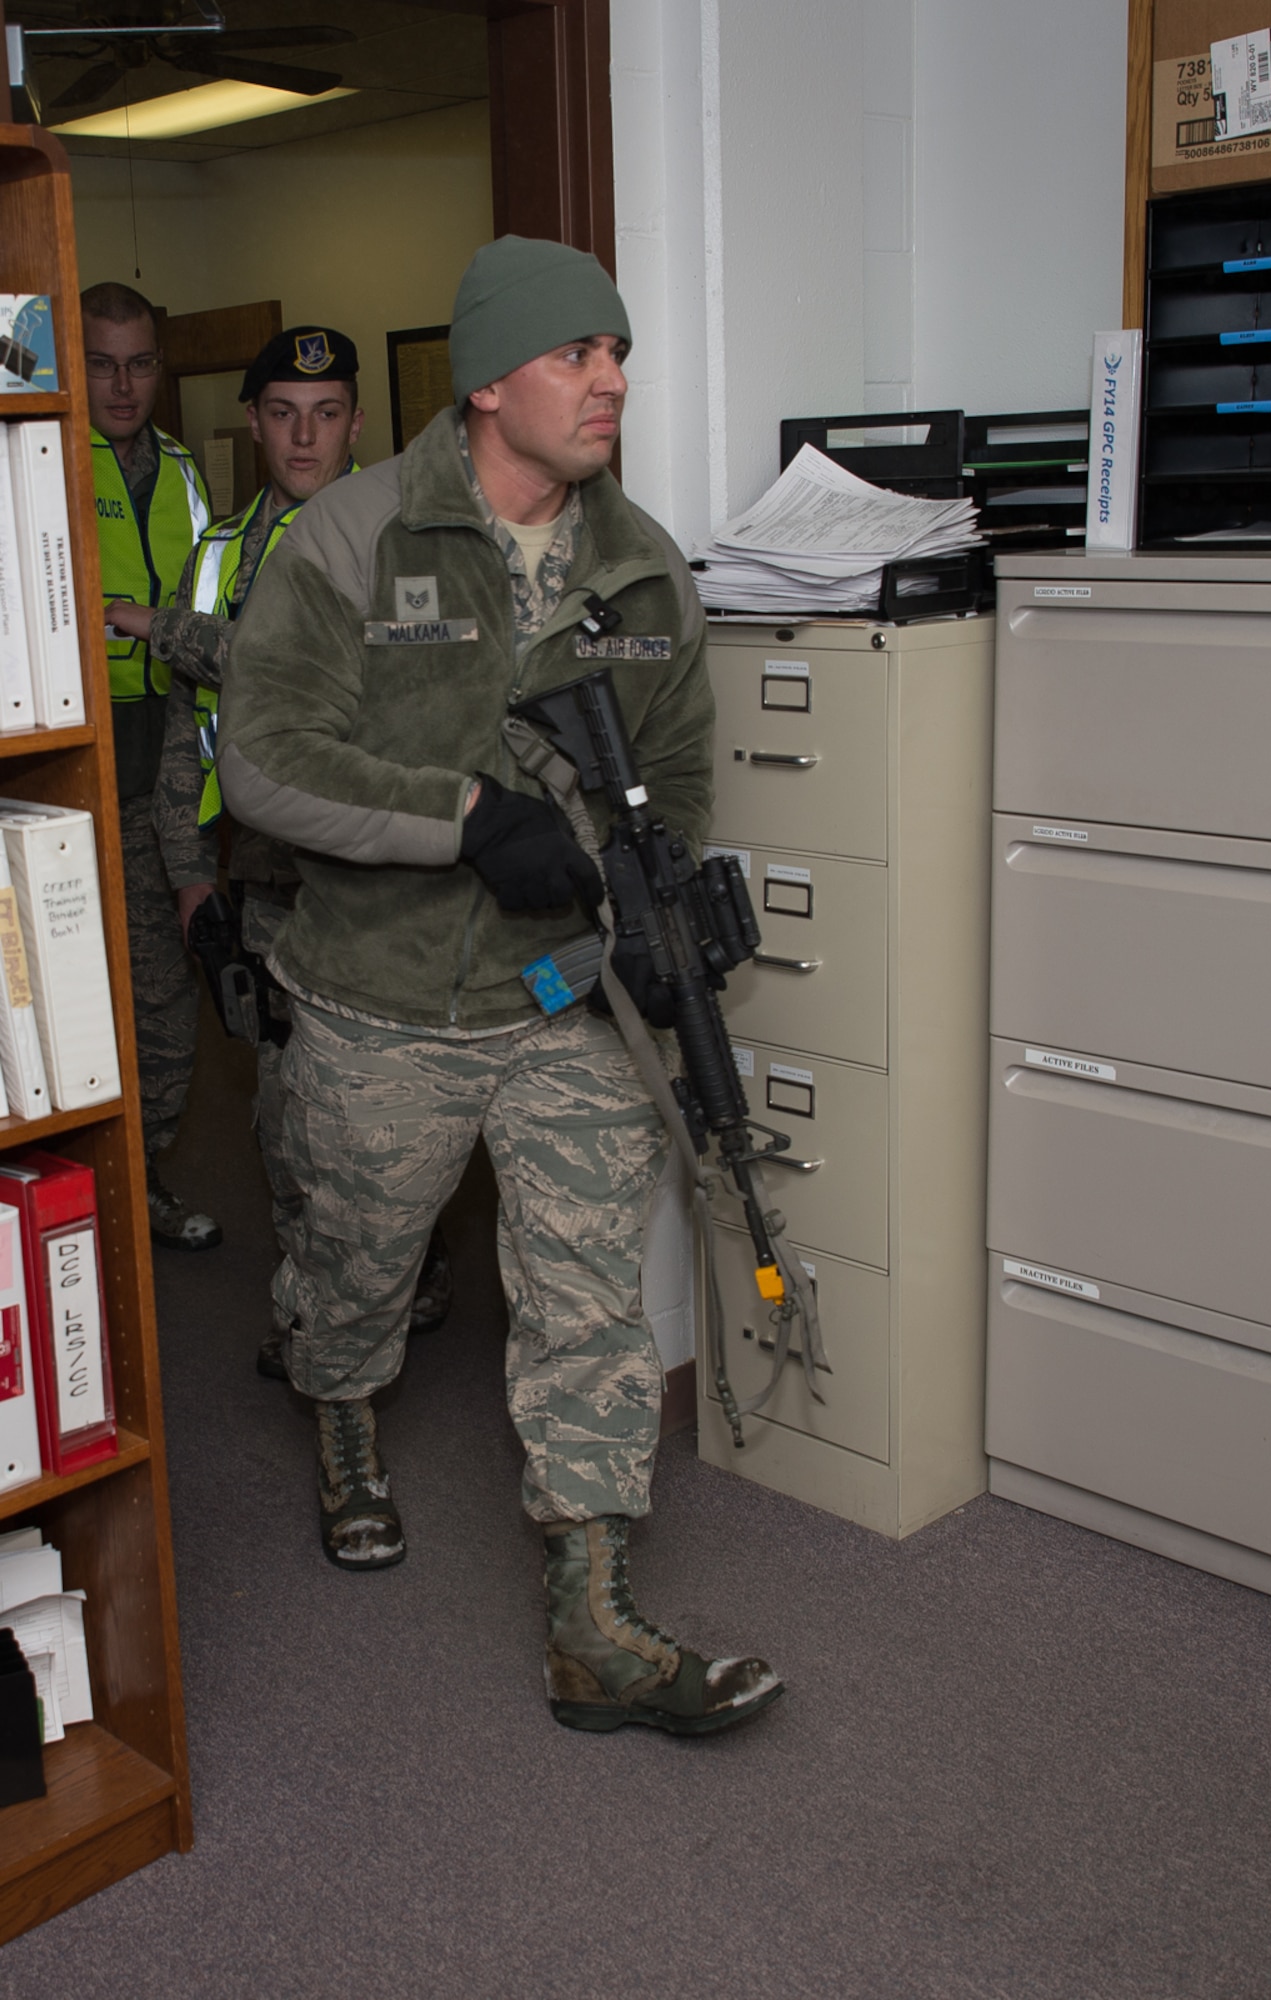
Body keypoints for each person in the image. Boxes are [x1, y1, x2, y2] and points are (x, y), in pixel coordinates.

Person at [217, 235, 782, 1737]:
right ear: (485, 384)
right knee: (354, 1264)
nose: (609, 382)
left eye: (618, 357)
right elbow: (263, 762)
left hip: (562, 1005)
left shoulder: (640, 566)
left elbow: (673, 778)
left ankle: (592, 1619)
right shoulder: (349, 539)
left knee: (588, 1299)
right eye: (574, 357)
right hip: (376, 1000)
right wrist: (464, 820)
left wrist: (650, 912)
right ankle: (342, 1413)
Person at [150, 325, 454, 1373]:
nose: (303, 434)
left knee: (396, 1112)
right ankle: (319, 1321)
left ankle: (400, 1276)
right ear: (252, 423)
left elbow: (380, 692)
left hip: (377, 886)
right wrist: (193, 880)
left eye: (326, 414)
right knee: (286, 1116)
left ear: (358, 423)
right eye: (282, 412)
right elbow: (190, 743)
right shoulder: (221, 554)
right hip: (263, 880)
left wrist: (170, 629)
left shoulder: (411, 540)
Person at [82, 280, 218, 1252]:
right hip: (65, 766)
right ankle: (74, 1198)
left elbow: (210, 619)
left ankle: (141, 1178)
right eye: (100, 361)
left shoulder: (180, 472)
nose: (122, 384)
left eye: (138, 362)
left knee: (167, 1000)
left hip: (164, 762)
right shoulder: (37, 456)